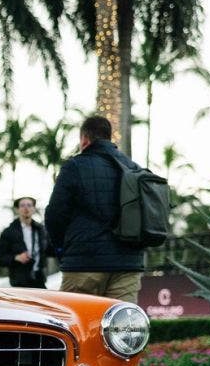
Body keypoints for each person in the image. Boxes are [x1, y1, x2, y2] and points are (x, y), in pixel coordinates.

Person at [45, 114, 145, 302]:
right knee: (122, 328)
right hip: (127, 265)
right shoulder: (133, 168)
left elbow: (55, 215)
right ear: (109, 137)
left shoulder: (74, 166)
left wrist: (62, 249)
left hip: (84, 263)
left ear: (84, 139)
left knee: (77, 325)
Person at [0, 196, 52, 288]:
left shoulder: (41, 230)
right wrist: (15, 258)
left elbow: (50, 251)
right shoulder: (9, 232)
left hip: (39, 279)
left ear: (33, 209)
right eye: (22, 205)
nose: (26, 208)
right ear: (17, 209)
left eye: (29, 205)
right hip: (19, 281)